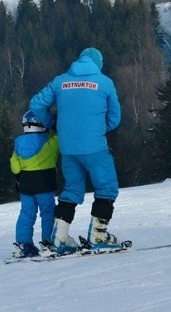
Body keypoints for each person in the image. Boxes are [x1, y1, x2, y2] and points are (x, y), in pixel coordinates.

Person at [29, 47, 122, 255]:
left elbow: (35, 104)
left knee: (71, 190)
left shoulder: (60, 81)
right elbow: (115, 119)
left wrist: (52, 123)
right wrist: (96, 128)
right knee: (107, 188)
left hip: (68, 148)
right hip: (95, 147)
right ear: (98, 64)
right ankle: (98, 236)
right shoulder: (105, 83)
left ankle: (59, 238)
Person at [9, 110, 59, 258]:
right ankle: (48, 242)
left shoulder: (18, 143)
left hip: (25, 185)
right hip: (44, 183)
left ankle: (23, 244)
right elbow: (62, 137)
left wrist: (18, 177)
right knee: (48, 212)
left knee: (26, 213)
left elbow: (14, 164)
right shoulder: (51, 141)